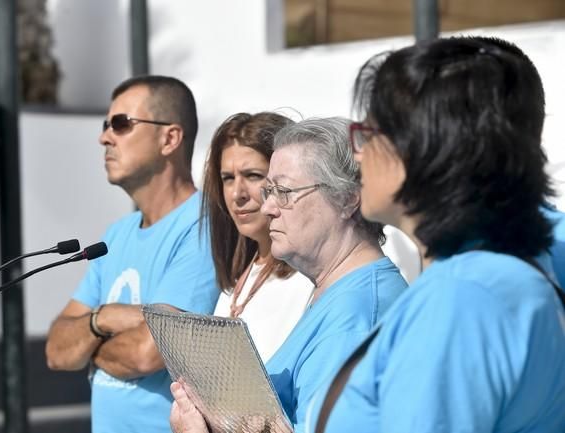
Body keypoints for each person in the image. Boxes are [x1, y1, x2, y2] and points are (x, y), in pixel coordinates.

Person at [311, 36, 565, 433]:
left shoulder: (465, 295)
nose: (358, 153)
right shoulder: (488, 278)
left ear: (428, 148)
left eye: (369, 133)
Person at [170, 117, 408, 433]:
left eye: (283, 191)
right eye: (269, 191)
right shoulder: (337, 294)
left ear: (348, 198)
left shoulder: (354, 316)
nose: (268, 207)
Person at [45, 75, 219, 433]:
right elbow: (57, 351)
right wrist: (104, 319)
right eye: (106, 124)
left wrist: (88, 346)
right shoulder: (116, 235)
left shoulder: (204, 226)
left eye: (122, 124)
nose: (104, 137)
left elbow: (147, 352)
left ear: (169, 138)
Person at [203, 112, 315, 362]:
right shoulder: (238, 279)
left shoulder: (309, 278)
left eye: (253, 175)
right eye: (228, 179)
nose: (237, 194)